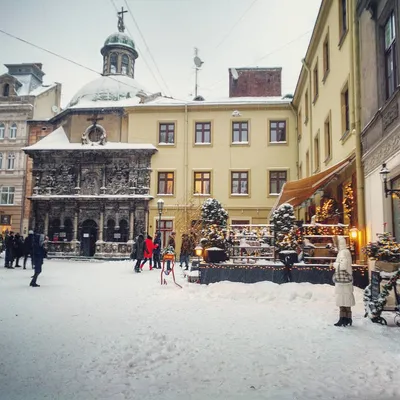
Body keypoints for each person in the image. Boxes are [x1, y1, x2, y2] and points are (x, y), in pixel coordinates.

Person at [333, 235, 355, 327]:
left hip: (342, 280)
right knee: (346, 299)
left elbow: (343, 266)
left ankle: (342, 319)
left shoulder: (342, 253)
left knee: (342, 299)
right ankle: (348, 318)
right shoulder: (346, 252)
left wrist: (334, 264)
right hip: (347, 279)